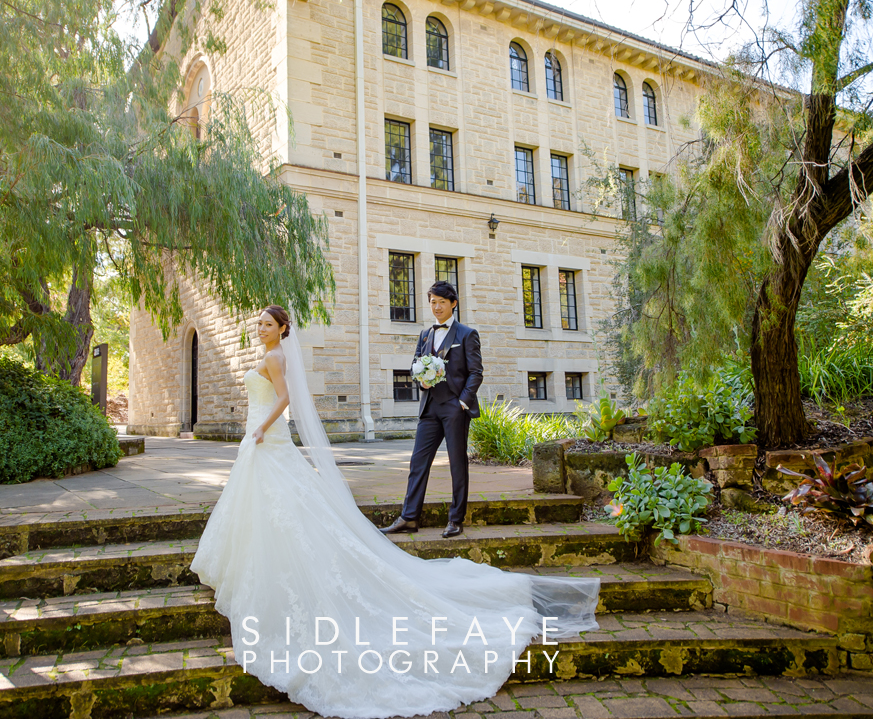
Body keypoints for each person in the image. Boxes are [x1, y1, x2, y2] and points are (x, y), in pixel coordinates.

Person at [190, 306, 600, 719]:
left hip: (267, 437)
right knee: (266, 506)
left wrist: (261, 427)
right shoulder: (269, 354)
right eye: (258, 323)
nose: (261, 328)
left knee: (285, 506)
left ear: (282, 329)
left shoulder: (276, 357)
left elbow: (285, 399)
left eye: (267, 324)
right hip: (262, 441)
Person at [380, 281, 480, 539]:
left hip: (454, 408)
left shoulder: (467, 334)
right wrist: (420, 379)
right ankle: (409, 517)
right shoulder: (425, 334)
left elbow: (476, 373)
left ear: (453, 304)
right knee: (417, 462)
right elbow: (415, 365)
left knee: (457, 465)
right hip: (429, 408)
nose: (436, 307)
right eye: (433, 302)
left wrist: (462, 402)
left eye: (441, 302)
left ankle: (456, 520)